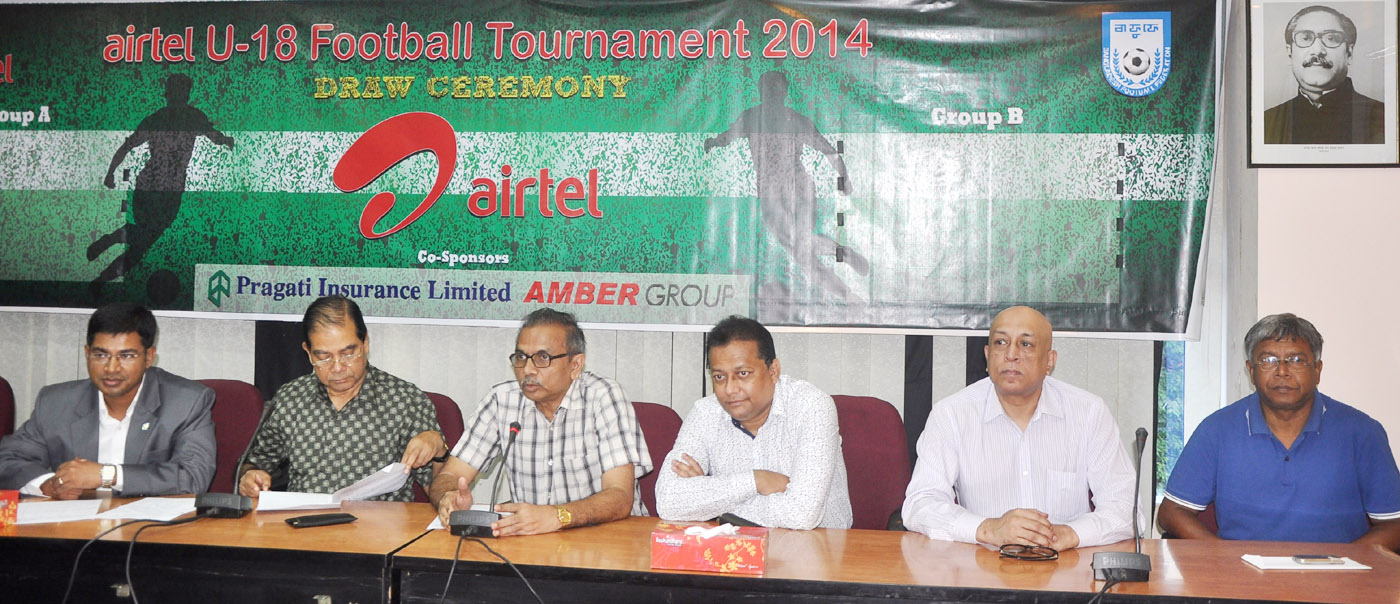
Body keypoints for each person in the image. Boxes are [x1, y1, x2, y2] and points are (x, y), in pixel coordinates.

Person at [902, 306, 1137, 549]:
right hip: (982, 568)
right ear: (987, 355)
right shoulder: (951, 414)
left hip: (1065, 569)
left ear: (1049, 361)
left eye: (1026, 344)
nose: (1011, 354)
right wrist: (987, 529)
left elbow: (1126, 508)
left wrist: (1069, 534)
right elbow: (921, 504)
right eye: (1001, 342)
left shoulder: (1089, 413)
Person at [1158, 313, 1400, 548]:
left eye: (1296, 360)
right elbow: (1171, 513)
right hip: (1242, 579)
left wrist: (1344, 563)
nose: (1282, 371)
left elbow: (1394, 525)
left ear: (1317, 370)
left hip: (1338, 580)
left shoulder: (1362, 432)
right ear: (1251, 371)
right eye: (1268, 360)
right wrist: (1224, 557)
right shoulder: (1218, 430)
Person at [431, 308, 651, 536]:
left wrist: (558, 516)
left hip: (607, 542)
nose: (527, 369)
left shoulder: (603, 397)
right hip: (533, 544)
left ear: (575, 365)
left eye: (542, 358)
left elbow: (620, 496)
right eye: (521, 357)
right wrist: (447, 497)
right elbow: (449, 476)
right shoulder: (501, 400)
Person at [238, 295, 445, 502]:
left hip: (381, 529)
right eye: (324, 356)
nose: (337, 367)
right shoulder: (290, 399)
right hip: (303, 527)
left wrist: (439, 451)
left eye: (348, 353)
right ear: (308, 353)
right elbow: (253, 464)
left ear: (365, 344)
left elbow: (439, 490)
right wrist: (249, 476)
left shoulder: (405, 401)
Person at [654, 316, 851, 529]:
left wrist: (710, 502)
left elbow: (802, 514)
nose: (730, 389)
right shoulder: (705, 413)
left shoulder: (811, 406)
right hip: (733, 552)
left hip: (819, 550)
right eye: (719, 377)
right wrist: (756, 480)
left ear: (773, 371)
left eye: (743, 374)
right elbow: (667, 501)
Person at [0, 303, 215, 497]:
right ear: (87, 354)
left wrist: (107, 475)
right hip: (73, 531)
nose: (111, 368)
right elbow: (7, 461)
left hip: (147, 533)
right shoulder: (55, 402)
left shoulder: (187, 402)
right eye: (100, 355)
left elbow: (193, 477)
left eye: (126, 356)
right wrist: (48, 484)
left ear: (149, 357)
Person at [705, 70, 868, 301]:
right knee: (802, 253)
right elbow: (829, 151)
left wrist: (713, 143)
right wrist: (844, 178)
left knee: (800, 249)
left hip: (777, 190)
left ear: (773, 92)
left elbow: (727, 136)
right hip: (799, 187)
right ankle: (846, 282)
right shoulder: (792, 119)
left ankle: (842, 268)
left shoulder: (754, 116)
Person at [93, 74, 235, 294]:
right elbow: (215, 136)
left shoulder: (166, 118)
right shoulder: (188, 117)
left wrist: (111, 173)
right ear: (183, 94)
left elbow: (127, 146)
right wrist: (226, 141)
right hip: (163, 190)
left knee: (142, 239)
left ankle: (111, 247)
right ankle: (104, 271)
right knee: (143, 242)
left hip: (154, 188)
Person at [1263, 5, 1384, 145]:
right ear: (1290, 53)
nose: (1317, 50)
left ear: (1349, 53)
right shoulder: (1267, 121)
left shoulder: (1382, 117)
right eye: (1306, 38)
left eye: (1331, 38)